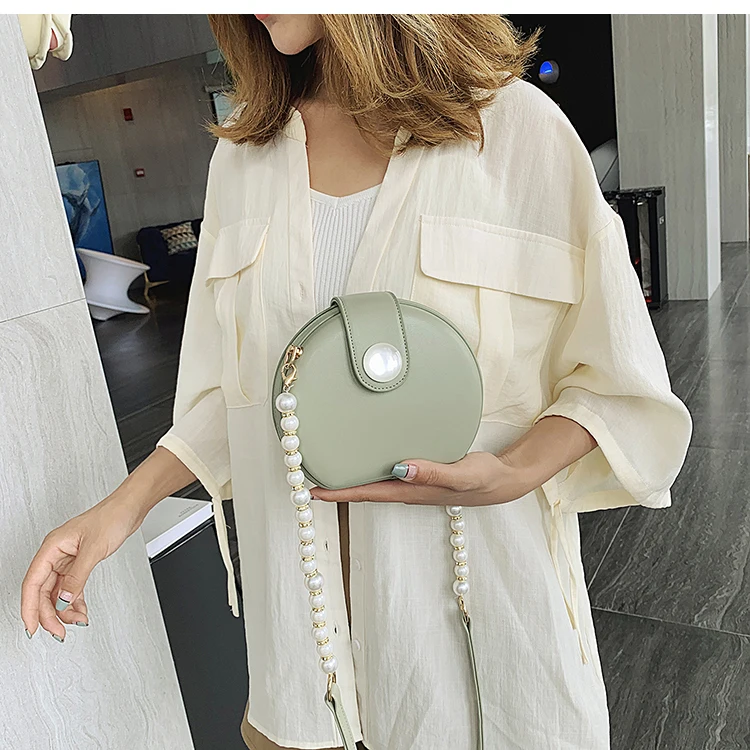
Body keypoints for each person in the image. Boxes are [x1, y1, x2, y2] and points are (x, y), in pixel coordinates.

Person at [21, 14, 692, 750]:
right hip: (302, 657)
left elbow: (616, 376)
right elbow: (235, 398)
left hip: (484, 647)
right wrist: (119, 510)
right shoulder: (243, 159)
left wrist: (515, 471)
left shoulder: (515, 131)